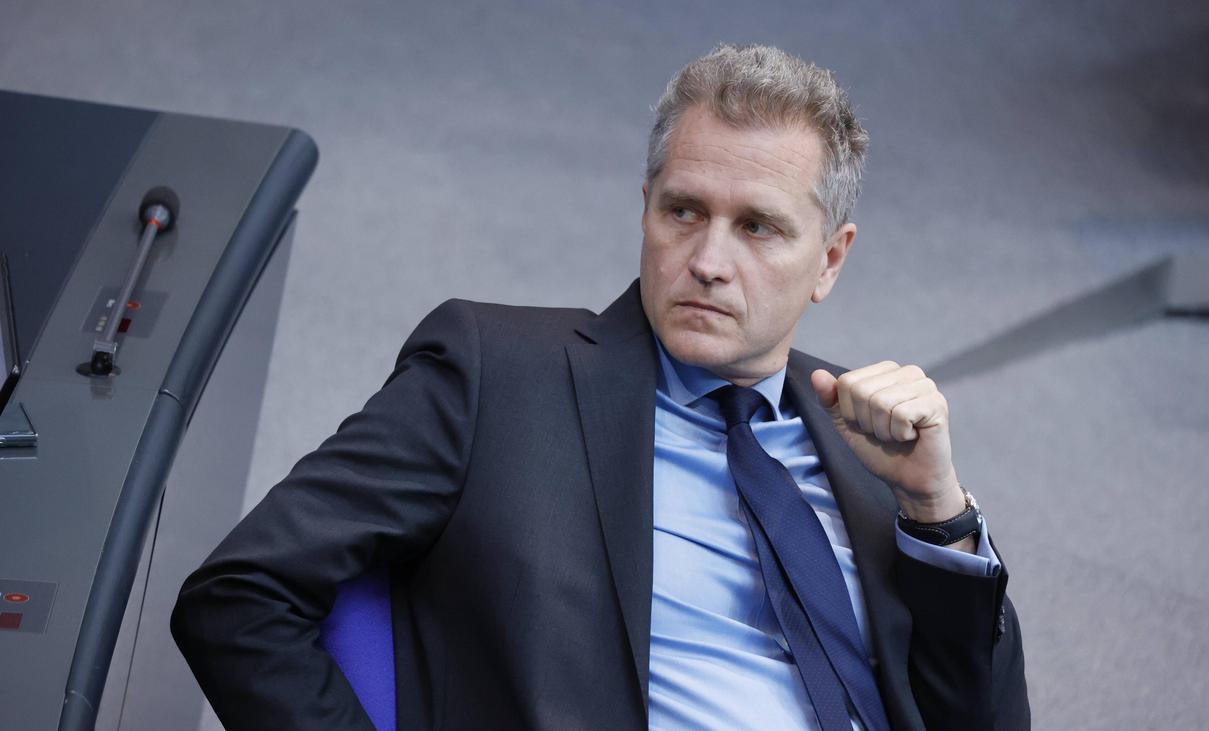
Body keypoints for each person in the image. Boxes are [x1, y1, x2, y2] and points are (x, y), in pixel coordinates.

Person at [172, 44, 1029, 730]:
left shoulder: (870, 440)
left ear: (830, 259)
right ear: (645, 206)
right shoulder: (496, 371)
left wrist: (939, 514)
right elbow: (239, 596)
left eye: (758, 227)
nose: (708, 261)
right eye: (684, 210)